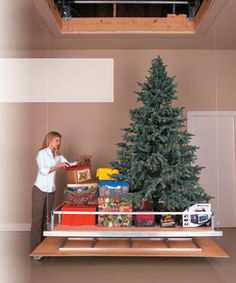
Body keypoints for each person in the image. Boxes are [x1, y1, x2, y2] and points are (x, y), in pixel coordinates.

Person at [31, 131, 76, 260]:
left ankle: (44, 247)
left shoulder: (58, 155)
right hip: (39, 190)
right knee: (37, 221)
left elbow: (68, 165)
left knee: (47, 220)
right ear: (49, 140)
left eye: (60, 141)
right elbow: (44, 171)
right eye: (57, 140)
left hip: (51, 190)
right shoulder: (42, 153)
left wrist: (81, 162)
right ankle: (36, 251)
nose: (59, 143)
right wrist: (59, 165)